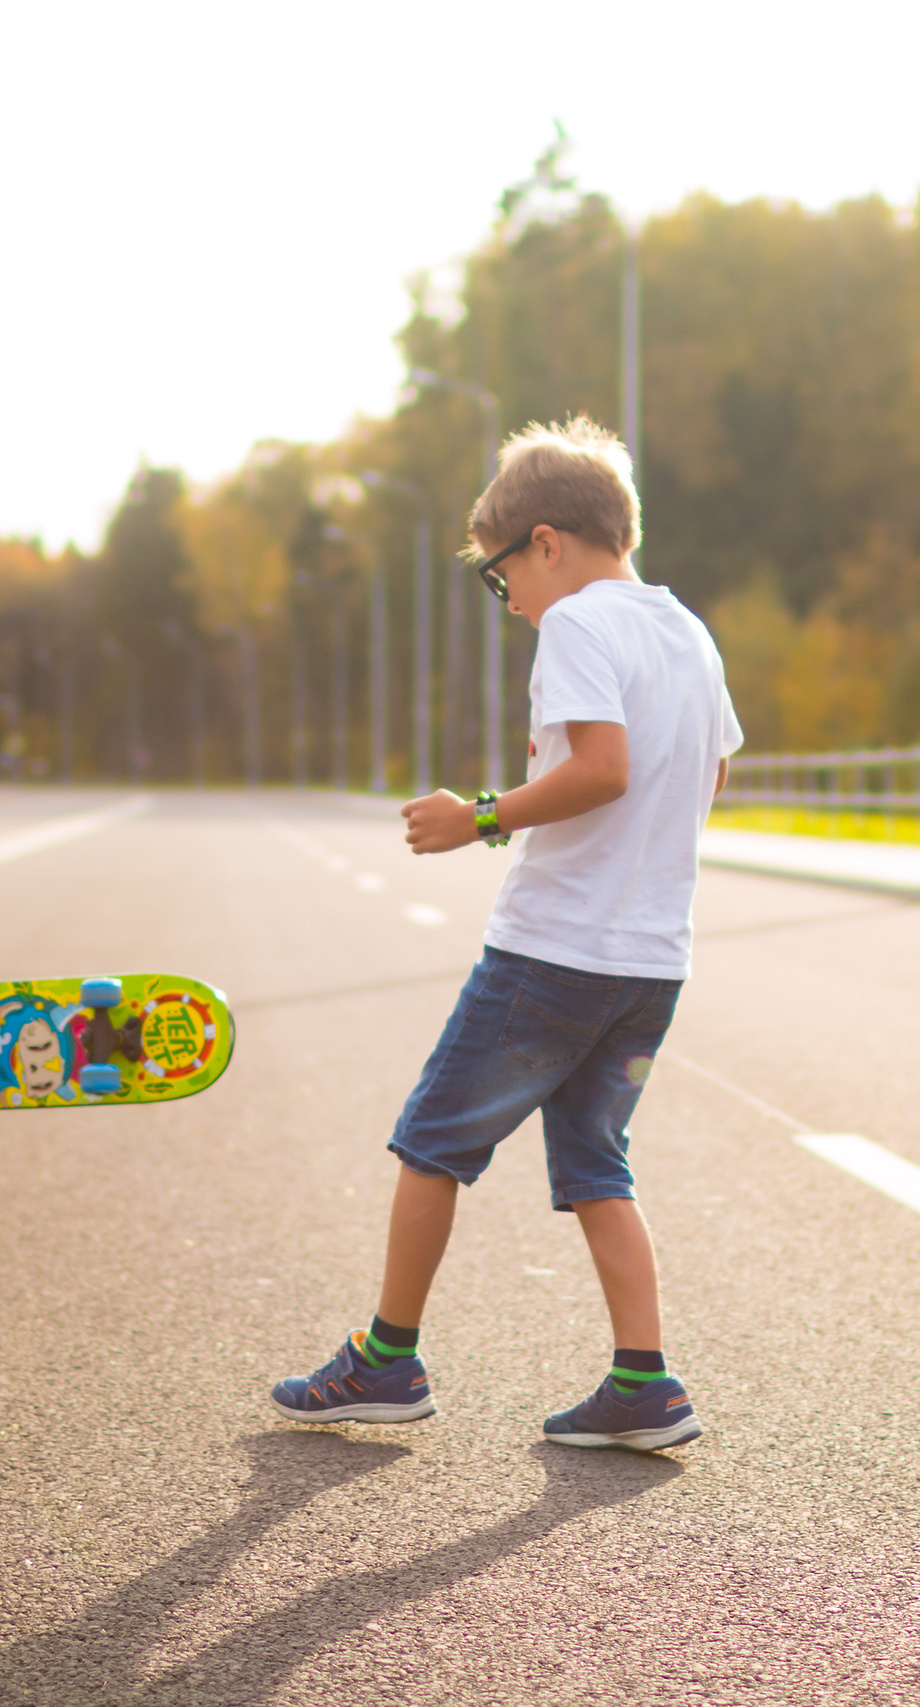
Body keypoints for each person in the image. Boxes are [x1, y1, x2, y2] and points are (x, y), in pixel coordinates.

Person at [270, 416, 741, 1452]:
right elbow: (707, 773)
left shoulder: (579, 626)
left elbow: (603, 768)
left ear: (545, 542)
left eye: (500, 577)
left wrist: (476, 816)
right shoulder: (687, 632)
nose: (510, 602)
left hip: (553, 951)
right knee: (595, 1164)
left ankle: (386, 1360)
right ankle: (643, 1383)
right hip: (650, 961)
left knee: (431, 1139)